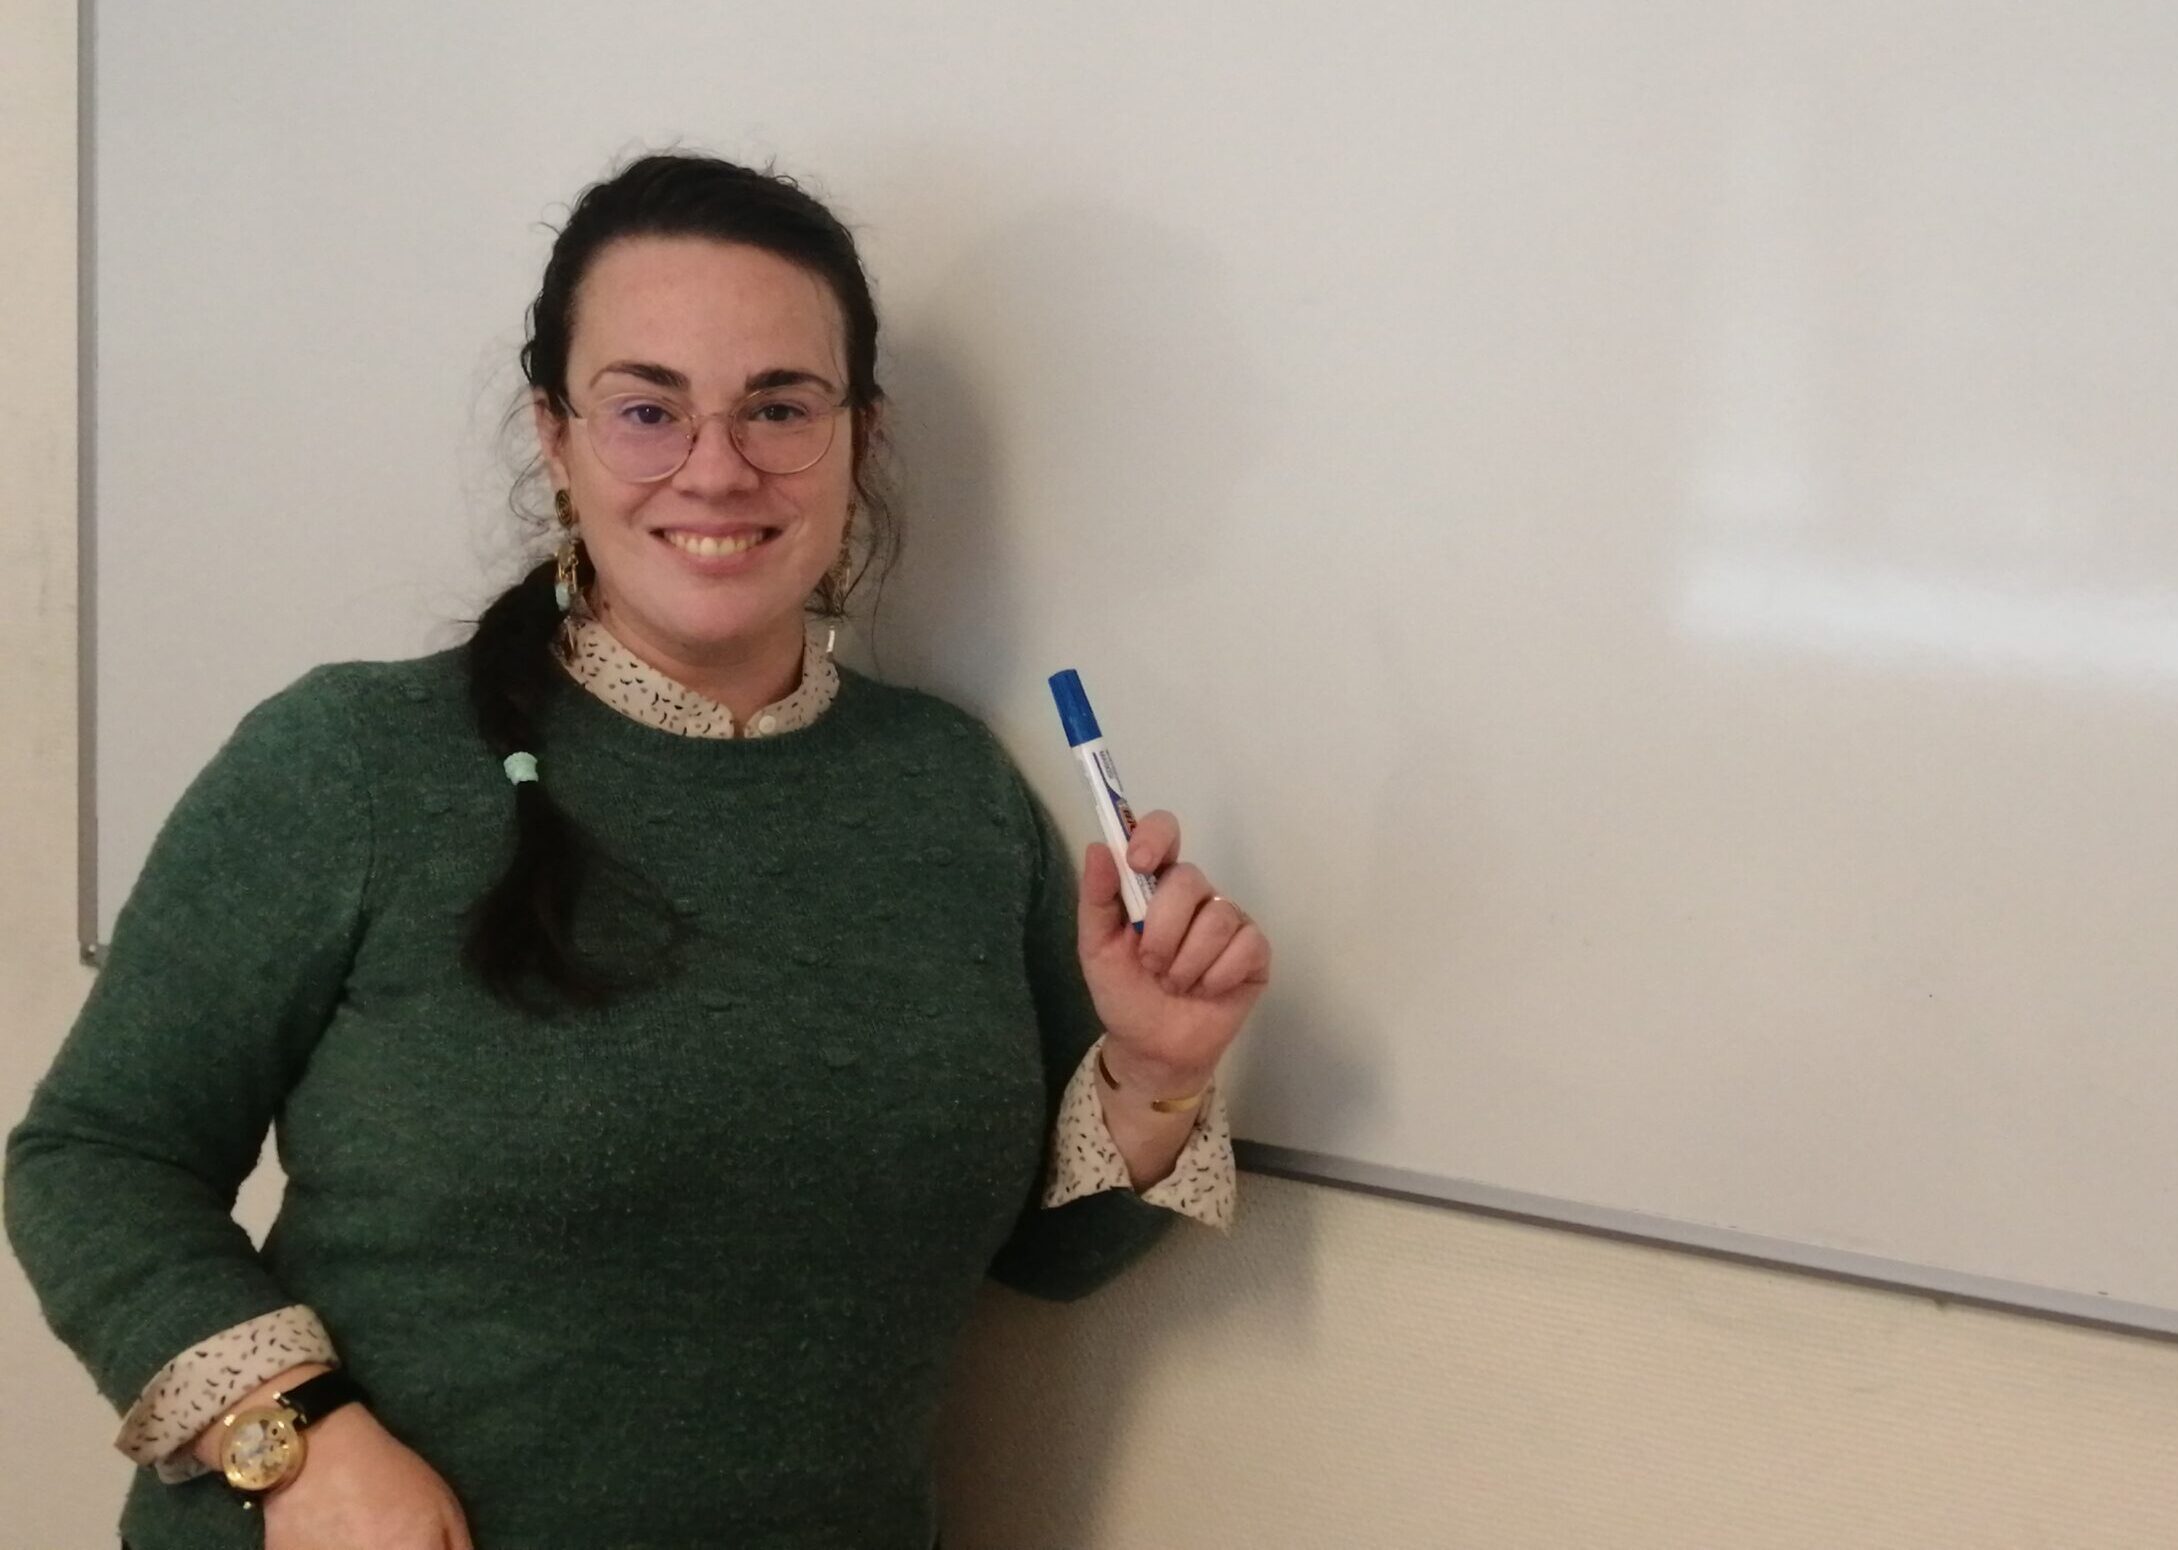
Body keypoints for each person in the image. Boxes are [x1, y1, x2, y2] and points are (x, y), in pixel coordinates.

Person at [5, 153, 1272, 1550]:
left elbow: (1051, 1256)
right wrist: (298, 1443)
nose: (716, 468)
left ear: (859, 436)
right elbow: (95, 1157)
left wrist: (1156, 1073)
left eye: (778, 407)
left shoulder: (953, 794)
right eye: (648, 409)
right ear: (555, 436)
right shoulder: (352, 762)